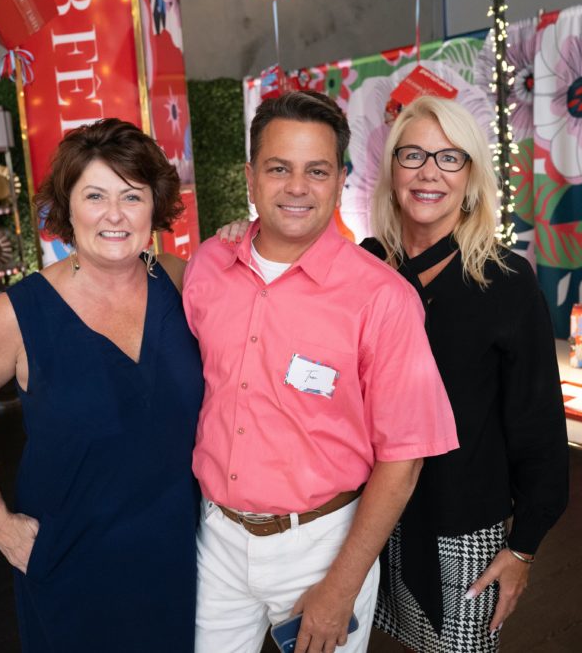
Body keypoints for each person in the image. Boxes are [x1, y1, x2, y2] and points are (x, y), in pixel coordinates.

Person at [184, 90, 459, 653]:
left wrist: (342, 585)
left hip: (320, 544)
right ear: (251, 176)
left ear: (339, 179)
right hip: (217, 538)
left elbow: (404, 461)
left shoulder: (382, 297)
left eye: (316, 170)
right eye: (278, 168)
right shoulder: (209, 263)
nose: (297, 187)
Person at [0, 119, 202, 652]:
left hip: (180, 550)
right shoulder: (20, 313)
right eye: (95, 195)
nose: (115, 215)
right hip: (74, 558)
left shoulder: (180, 279)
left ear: (155, 205)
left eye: (132, 195)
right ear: (66, 206)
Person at [363, 96, 569, 651]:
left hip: (459, 528)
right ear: (392, 171)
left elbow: (539, 425)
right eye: (413, 155)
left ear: (471, 177)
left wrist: (522, 547)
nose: (430, 171)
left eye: (449, 157)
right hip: (371, 516)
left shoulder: (505, 281)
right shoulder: (367, 266)